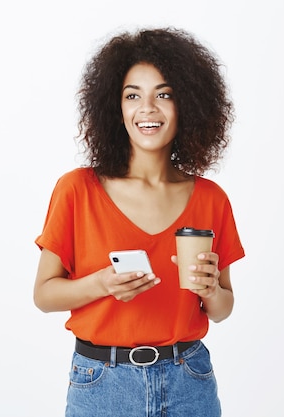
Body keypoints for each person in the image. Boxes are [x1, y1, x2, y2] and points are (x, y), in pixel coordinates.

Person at [33, 27, 245, 417]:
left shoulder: (211, 198)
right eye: (133, 95)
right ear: (116, 108)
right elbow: (44, 295)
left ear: (190, 105)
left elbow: (223, 308)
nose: (147, 108)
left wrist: (212, 288)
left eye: (164, 94)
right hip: (101, 384)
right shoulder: (77, 189)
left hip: (190, 381)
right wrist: (101, 285)